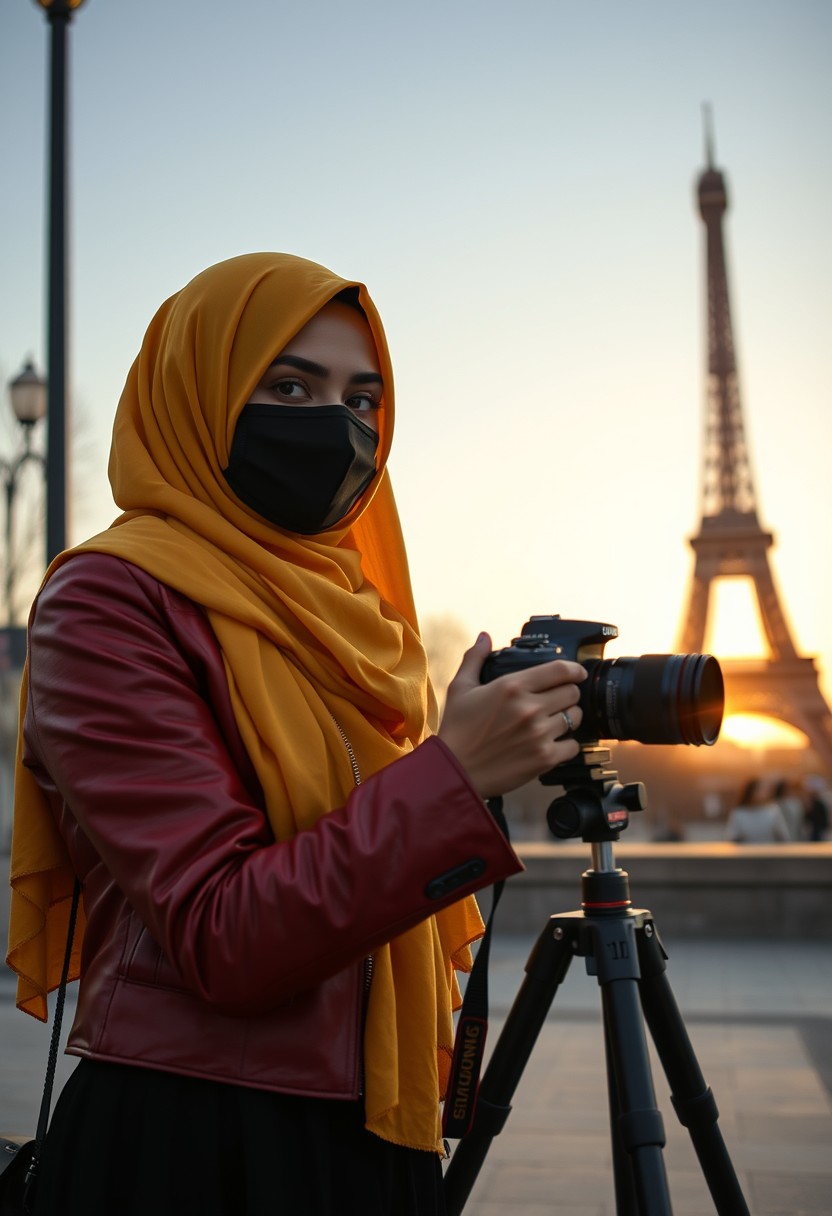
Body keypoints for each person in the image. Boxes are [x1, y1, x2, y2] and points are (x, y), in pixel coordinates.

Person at [6, 253, 586, 1216]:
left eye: (364, 400)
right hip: (198, 1143)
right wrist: (453, 774)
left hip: (371, 1129)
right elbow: (224, 933)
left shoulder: (356, 618)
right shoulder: (109, 599)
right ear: (199, 394)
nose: (338, 427)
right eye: (288, 385)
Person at [725, 777, 790, 844]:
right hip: (746, 853)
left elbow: (783, 837)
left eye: (765, 790)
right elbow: (732, 837)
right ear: (750, 792)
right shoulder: (739, 813)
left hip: (770, 852)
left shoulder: (773, 811)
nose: (763, 793)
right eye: (759, 790)